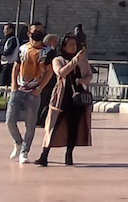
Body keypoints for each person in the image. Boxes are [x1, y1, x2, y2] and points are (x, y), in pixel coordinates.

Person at [35, 32, 93, 166]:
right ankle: (45, 154)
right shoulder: (58, 59)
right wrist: (75, 61)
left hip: (78, 99)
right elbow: (61, 73)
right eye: (70, 44)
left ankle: (69, 155)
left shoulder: (82, 60)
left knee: (74, 127)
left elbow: (89, 75)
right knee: (53, 126)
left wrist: (82, 80)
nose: (73, 47)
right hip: (62, 98)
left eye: (75, 44)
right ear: (64, 46)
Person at [6, 26, 52, 164]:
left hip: (34, 90)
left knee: (30, 124)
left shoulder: (48, 51)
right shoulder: (22, 49)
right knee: (9, 120)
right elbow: (16, 66)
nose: (37, 35)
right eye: (34, 32)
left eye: (40, 32)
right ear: (29, 34)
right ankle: (18, 142)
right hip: (19, 88)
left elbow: (49, 71)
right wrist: (13, 85)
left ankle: (25, 151)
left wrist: (39, 88)